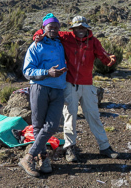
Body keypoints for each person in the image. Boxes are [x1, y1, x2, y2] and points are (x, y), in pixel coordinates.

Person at [33, 16, 118, 162]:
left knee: (93, 115)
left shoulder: (93, 41)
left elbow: (102, 54)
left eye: (82, 28)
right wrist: (37, 35)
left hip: (87, 84)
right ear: (73, 28)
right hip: (69, 83)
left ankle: (104, 147)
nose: (80, 30)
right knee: (70, 116)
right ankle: (69, 147)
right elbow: (48, 30)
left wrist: (109, 60)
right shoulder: (66, 37)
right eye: (77, 28)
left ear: (87, 28)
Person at [20, 13, 67, 177]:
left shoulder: (61, 44)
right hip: (40, 88)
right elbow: (27, 71)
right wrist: (47, 72)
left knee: (52, 125)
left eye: (56, 27)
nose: (53, 30)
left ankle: (29, 156)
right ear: (43, 28)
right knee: (38, 126)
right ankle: (43, 157)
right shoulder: (35, 46)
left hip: (58, 89)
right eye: (50, 27)